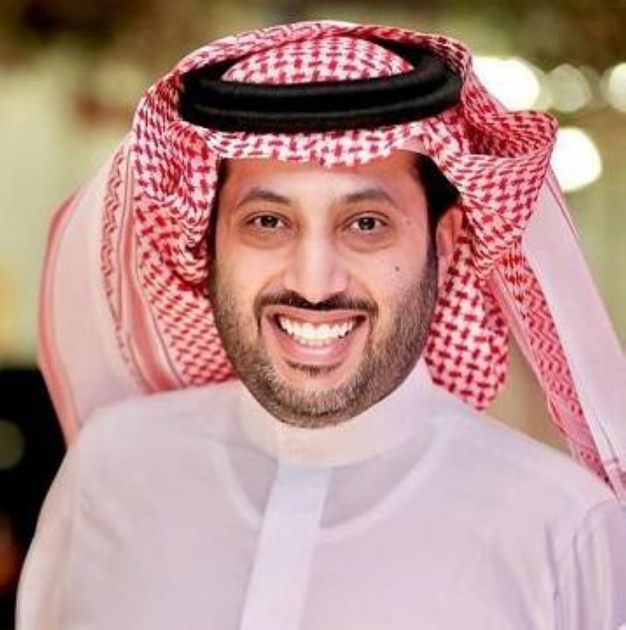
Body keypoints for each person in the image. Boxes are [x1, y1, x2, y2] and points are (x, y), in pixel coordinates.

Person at [17, 20, 626, 629]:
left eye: (366, 224)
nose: (314, 283)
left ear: (443, 243)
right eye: (267, 222)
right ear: (207, 243)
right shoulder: (110, 471)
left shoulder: (561, 530)